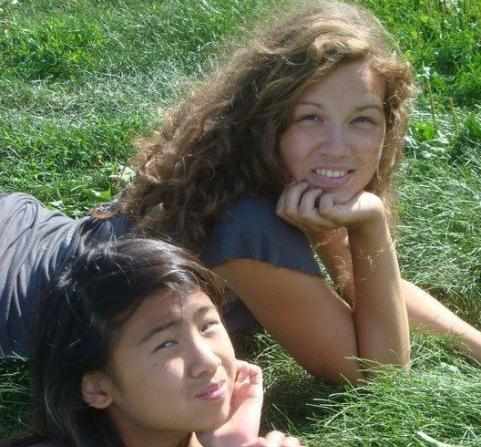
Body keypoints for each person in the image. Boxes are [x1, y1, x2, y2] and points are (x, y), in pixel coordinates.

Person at [1, 0, 480, 382]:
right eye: (309, 117)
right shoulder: (245, 220)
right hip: (19, 296)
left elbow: (362, 284)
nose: (338, 147)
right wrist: (371, 226)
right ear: (267, 122)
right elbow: (376, 372)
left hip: (36, 233)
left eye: (362, 120)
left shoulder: (285, 176)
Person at [0, 238, 328, 447]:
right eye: (166, 344)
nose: (208, 361)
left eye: (207, 325)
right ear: (98, 387)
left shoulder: (165, 436)